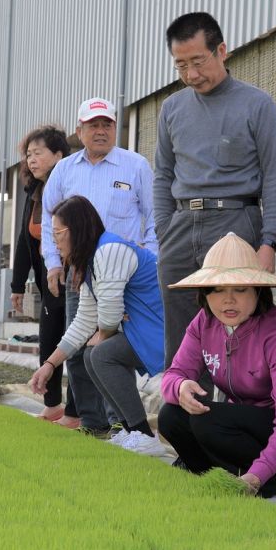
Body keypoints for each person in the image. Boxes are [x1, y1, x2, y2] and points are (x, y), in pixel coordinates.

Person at [154, 12, 276, 370]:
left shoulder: (256, 104)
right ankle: (181, 418)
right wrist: (164, 232)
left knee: (240, 331)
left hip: (236, 223)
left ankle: (237, 419)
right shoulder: (171, 109)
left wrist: (269, 241)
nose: (191, 74)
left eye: (198, 61)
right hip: (180, 229)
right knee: (180, 338)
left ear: (222, 51)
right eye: (181, 65)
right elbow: (163, 174)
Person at [159, 233, 276, 498]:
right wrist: (180, 386)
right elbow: (174, 375)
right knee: (171, 417)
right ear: (205, 294)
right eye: (218, 290)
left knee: (208, 423)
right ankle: (217, 480)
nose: (228, 300)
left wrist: (256, 476)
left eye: (240, 289)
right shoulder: (203, 323)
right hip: (248, 422)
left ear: (258, 291)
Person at [42, 98, 157, 437]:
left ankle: (122, 422)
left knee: (110, 348)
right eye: (93, 125)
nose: (101, 130)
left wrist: (150, 263)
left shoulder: (135, 165)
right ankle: (92, 422)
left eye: (107, 124)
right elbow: (50, 222)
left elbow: (153, 219)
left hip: (128, 280)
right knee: (79, 349)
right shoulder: (65, 170)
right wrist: (52, 264)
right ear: (80, 131)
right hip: (80, 273)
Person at [29, 195, 166, 456]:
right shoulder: (92, 260)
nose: (55, 241)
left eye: (58, 233)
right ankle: (131, 430)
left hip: (159, 332)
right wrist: (49, 365)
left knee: (100, 353)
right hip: (142, 332)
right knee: (93, 353)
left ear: (76, 230)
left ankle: (144, 435)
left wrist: (103, 334)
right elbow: (84, 321)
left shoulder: (109, 251)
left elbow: (110, 310)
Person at [9, 125, 77, 424]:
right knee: (49, 338)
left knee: (76, 342)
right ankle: (52, 404)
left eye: (38, 153)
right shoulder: (34, 194)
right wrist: (16, 285)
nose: (31, 160)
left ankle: (76, 411)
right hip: (48, 281)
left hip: (75, 278)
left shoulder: (73, 188)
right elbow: (25, 242)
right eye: (28, 155)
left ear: (59, 155)